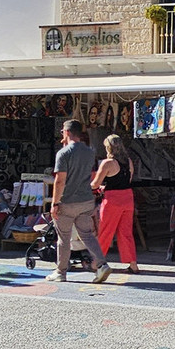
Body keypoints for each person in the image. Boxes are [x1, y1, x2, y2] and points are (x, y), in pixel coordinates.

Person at [46, 119, 112, 284]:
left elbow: (60, 181)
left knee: (64, 238)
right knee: (87, 235)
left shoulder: (63, 153)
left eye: (63, 131)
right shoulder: (89, 151)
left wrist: (54, 203)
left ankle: (61, 271)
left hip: (67, 201)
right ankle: (102, 264)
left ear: (67, 132)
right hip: (86, 200)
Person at [91, 134, 139, 274]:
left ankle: (96, 263)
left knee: (106, 231)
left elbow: (95, 184)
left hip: (112, 200)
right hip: (127, 197)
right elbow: (127, 180)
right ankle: (133, 264)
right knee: (126, 233)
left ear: (108, 147)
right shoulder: (128, 161)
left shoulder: (107, 163)